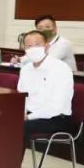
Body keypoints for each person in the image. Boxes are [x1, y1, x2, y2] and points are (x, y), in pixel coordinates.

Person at [16, 29, 75, 160]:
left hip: (56, 118)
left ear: (47, 47)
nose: (33, 49)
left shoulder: (61, 69)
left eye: (37, 45)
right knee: (0, 120)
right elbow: (22, 96)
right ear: (24, 49)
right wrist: (22, 113)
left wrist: (28, 117)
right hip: (30, 115)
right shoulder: (25, 69)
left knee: (17, 126)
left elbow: (56, 107)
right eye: (29, 46)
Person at [11, 15, 77, 71]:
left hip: (69, 78)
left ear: (55, 29)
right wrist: (19, 59)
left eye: (47, 27)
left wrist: (23, 60)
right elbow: (32, 55)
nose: (44, 30)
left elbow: (46, 61)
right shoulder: (41, 42)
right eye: (40, 28)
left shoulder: (63, 43)